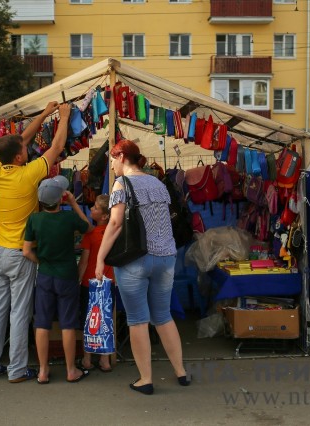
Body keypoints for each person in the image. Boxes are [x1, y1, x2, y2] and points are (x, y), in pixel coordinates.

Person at [0, 101, 71, 383]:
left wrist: (45, 114)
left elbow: (23, 139)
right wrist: (64, 117)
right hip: (20, 254)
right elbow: (55, 149)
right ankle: (17, 370)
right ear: (20, 159)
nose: (26, 148)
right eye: (23, 151)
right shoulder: (28, 176)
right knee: (19, 312)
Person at [95, 139, 189, 395]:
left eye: (112, 159)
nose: (112, 165)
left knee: (137, 320)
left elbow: (114, 224)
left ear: (122, 157)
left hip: (136, 258)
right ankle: (180, 372)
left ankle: (145, 379)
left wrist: (100, 257)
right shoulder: (157, 182)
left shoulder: (121, 183)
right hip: (166, 257)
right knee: (163, 316)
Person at [23, 176, 93, 384]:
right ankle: (71, 370)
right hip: (68, 276)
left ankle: (43, 371)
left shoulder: (34, 220)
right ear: (60, 199)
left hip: (45, 275)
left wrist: (41, 262)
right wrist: (73, 202)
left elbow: (26, 251)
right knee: (68, 323)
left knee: (42, 323)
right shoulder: (69, 218)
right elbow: (88, 227)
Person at [77, 194, 114, 372]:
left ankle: (86, 359)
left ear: (105, 215)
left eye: (96, 208)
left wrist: (78, 278)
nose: (91, 209)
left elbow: (84, 261)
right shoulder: (115, 232)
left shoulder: (90, 234)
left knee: (89, 321)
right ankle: (105, 361)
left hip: (89, 282)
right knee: (105, 321)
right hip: (109, 282)